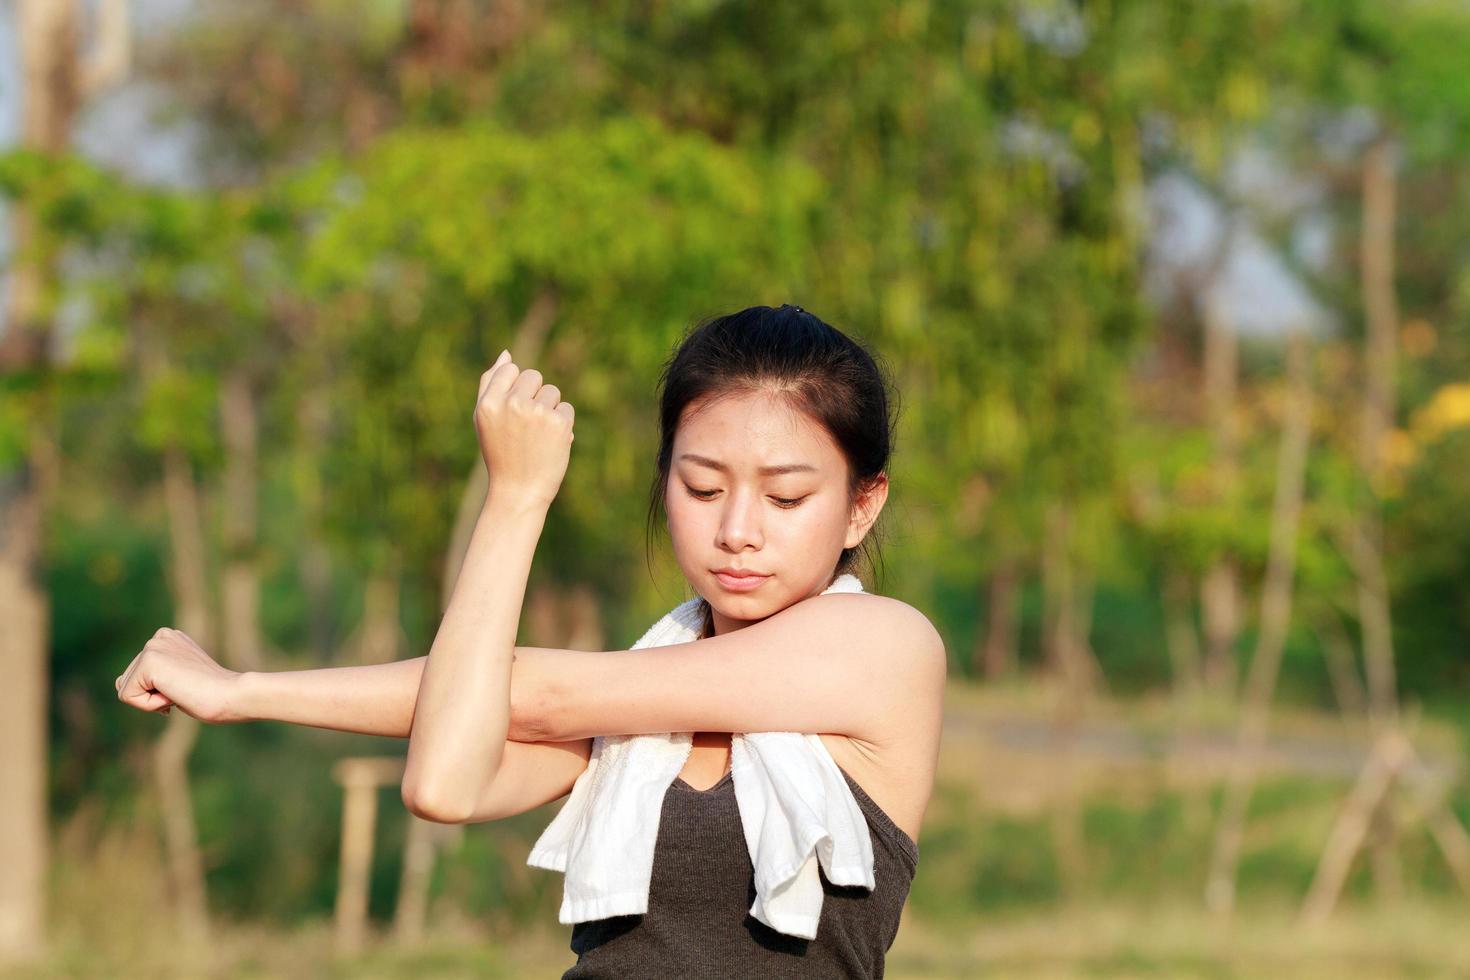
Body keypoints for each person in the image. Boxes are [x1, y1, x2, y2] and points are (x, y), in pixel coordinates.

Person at [116, 303, 946, 977]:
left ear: (863, 504)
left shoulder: (884, 648)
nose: (737, 531)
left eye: (786, 498)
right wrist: (238, 692)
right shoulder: (637, 719)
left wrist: (518, 494)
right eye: (702, 486)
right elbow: (446, 780)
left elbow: (526, 689)